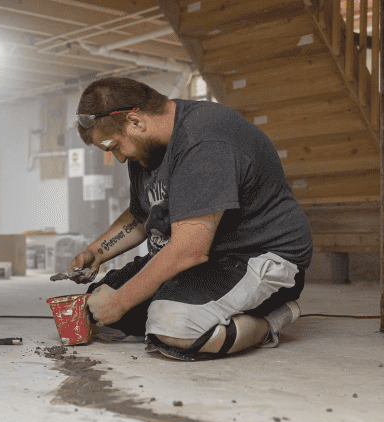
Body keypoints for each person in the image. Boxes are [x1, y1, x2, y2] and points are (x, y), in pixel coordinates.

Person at [67, 77, 312, 360]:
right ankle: (187, 308)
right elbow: (143, 213)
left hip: (255, 255)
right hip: (204, 256)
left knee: (174, 328)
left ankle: (271, 320)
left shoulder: (204, 138)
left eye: (114, 147)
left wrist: (122, 301)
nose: (119, 159)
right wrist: (95, 252)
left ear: (135, 122)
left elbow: (188, 251)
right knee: (95, 306)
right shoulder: (145, 150)